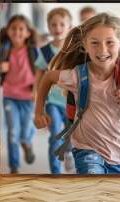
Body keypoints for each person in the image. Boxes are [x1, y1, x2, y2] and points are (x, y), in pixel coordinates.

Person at [34, 13, 120, 174]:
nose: (102, 50)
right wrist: (38, 111)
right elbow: (48, 76)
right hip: (87, 149)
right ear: (84, 45)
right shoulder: (78, 75)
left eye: (110, 42)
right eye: (94, 43)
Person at [34, 8, 73, 174]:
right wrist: (39, 104)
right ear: (48, 27)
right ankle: (55, 173)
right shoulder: (45, 51)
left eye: (61, 24)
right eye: (53, 24)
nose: (57, 27)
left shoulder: (74, 50)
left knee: (72, 136)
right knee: (55, 137)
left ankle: (69, 153)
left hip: (72, 102)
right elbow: (39, 77)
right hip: (53, 103)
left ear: (69, 26)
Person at [0, 15, 38, 174]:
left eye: (21, 29)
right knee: (13, 131)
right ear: (8, 31)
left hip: (28, 96)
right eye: (13, 28)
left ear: (28, 32)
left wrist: (37, 90)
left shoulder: (32, 51)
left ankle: (27, 144)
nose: (17, 32)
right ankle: (14, 166)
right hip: (10, 95)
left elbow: (40, 72)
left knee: (25, 131)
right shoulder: (4, 49)